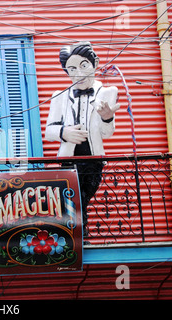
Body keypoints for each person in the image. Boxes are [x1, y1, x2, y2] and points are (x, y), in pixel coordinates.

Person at [45, 42, 120, 236]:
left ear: (95, 63)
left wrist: (107, 117)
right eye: (71, 69)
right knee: (73, 194)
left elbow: (107, 134)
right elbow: (49, 130)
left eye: (83, 66)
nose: (78, 74)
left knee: (86, 191)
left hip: (93, 157)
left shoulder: (108, 92)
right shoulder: (59, 97)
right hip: (69, 157)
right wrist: (64, 132)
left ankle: (78, 230)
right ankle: (80, 232)